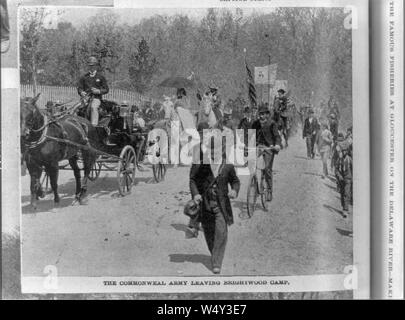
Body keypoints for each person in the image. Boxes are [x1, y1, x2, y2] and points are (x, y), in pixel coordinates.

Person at [189, 133, 240, 274]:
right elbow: (192, 179)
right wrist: (196, 194)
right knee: (209, 233)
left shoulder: (227, 166)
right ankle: (214, 253)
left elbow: (235, 181)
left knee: (221, 232)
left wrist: (234, 191)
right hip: (205, 205)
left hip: (221, 206)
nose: (213, 153)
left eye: (216, 150)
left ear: (222, 150)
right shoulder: (201, 163)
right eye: (211, 151)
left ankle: (217, 262)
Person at [251, 105, 282, 201]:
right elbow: (250, 134)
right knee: (252, 164)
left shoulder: (272, 124)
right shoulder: (256, 123)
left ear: (267, 115)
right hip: (259, 146)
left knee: (267, 169)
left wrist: (277, 145)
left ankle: (269, 190)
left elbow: (277, 136)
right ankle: (255, 185)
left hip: (269, 147)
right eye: (260, 114)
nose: (261, 116)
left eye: (263, 114)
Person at [77, 56, 109, 126]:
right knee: (76, 108)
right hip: (85, 98)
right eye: (90, 66)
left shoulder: (101, 77)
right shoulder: (84, 77)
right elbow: (79, 88)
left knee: (93, 107)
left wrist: (98, 91)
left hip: (96, 98)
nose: (91, 67)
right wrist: (81, 92)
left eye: (93, 66)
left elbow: (106, 89)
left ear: (96, 66)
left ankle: (93, 125)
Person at [334, 134, 352, 217]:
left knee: (346, 193)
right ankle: (343, 206)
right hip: (341, 179)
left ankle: (345, 209)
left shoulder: (349, 159)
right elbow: (336, 169)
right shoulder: (339, 159)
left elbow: (353, 169)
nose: (344, 152)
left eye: (346, 151)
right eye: (343, 151)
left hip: (348, 178)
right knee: (342, 193)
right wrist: (339, 176)